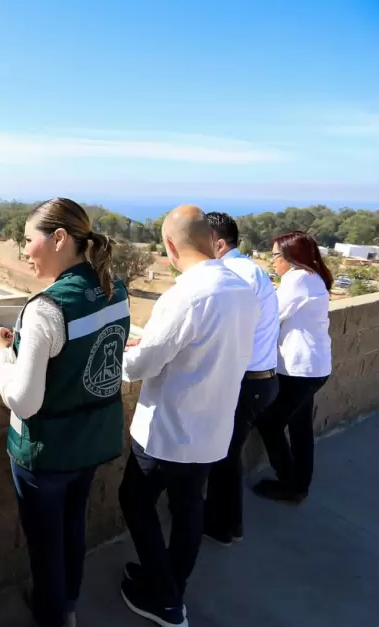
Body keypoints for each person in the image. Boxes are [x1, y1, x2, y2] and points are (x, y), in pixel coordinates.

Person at [0, 198, 130, 627]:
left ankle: (55, 617)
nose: (24, 250)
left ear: (59, 239)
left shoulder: (46, 308)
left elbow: (25, 400)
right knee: (72, 531)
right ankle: (68, 604)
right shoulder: (115, 289)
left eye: (28, 240)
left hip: (46, 454)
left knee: (45, 544)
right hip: (91, 441)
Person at [118, 205, 258, 627]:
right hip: (211, 430)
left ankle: (164, 600)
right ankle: (170, 583)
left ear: (170, 245)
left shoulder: (185, 295)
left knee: (134, 501)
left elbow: (143, 365)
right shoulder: (241, 287)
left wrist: (127, 355)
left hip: (167, 431)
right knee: (187, 509)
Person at [203, 212, 281, 545]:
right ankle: (225, 520)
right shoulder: (251, 270)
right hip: (262, 380)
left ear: (218, 243)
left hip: (248, 383)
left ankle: (226, 526)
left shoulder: (233, 275)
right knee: (227, 454)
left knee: (225, 456)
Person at [253, 231, 333, 504]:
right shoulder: (314, 277)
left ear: (291, 257)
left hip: (299, 371)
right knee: (300, 427)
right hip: (315, 368)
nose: (273, 261)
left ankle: (290, 484)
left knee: (270, 422)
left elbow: (269, 317)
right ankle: (301, 481)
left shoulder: (297, 279)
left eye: (276, 255)